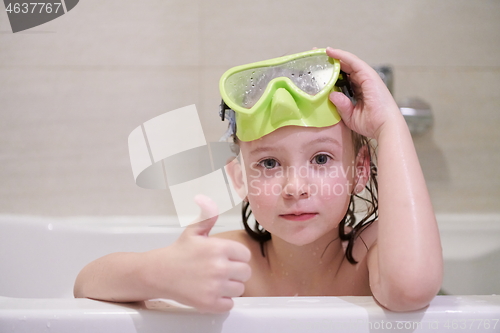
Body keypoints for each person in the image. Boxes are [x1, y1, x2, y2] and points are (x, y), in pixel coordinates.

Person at [74, 47, 443, 313]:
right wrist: (159, 274)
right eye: (269, 163)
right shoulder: (233, 263)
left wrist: (390, 126)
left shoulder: (373, 253)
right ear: (239, 179)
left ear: (360, 170)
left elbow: (410, 290)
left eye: (320, 158)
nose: (295, 187)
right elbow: (86, 284)